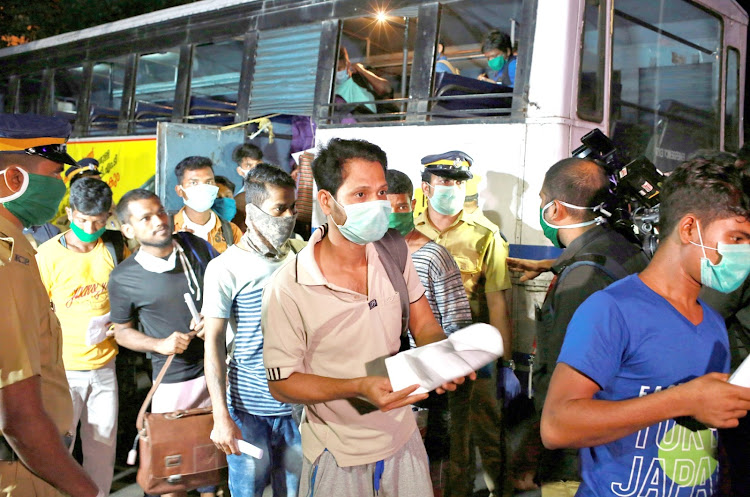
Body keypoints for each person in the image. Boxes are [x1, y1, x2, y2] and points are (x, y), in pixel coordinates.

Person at [262, 138, 470, 496]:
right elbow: (282, 383)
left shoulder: (393, 251)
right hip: (337, 453)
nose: (377, 204)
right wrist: (358, 387)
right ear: (327, 201)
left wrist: (440, 356)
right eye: (360, 194)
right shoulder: (289, 285)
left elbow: (423, 324)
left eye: (381, 191)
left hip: (403, 439)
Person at [541, 157, 750, 496]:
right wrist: (682, 399)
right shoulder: (612, 309)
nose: (745, 253)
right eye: (736, 238)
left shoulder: (712, 324)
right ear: (688, 229)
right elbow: (556, 425)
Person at [512, 157, 650, 494]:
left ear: (555, 210)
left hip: (579, 456)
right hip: (624, 439)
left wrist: (535, 450)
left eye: (542, 200)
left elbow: (564, 378)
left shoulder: (580, 281)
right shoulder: (626, 251)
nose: (541, 206)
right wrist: (553, 265)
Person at [0, 113, 99, 496]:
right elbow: (20, 419)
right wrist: (87, 491)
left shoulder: (18, 245)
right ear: (13, 178)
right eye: (54, 172)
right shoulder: (8, 259)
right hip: (24, 471)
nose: (60, 184)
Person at [414, 150, 518, 497]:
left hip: (473, 353)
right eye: (445, 182)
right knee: (436, 438)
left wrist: (504, 361)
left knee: (485, 436)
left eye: (459, 183)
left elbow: (497, 302)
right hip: (421, 351)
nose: (453, 188)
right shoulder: (407, 231)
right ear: (427, 188)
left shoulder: (486, 235)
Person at [109, 189, 218, 497]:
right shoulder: (125, 277)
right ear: (128, 230)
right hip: (174, 381)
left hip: (218, 371)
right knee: (175, 475)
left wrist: (214, 314)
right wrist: (159, 345)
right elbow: (121, 331)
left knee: (212, 468)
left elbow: (227, 284)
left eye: (160, 212)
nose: (159, 221)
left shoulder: (195, 247)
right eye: (146, 217)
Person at [204, 164, 304, 497]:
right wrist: (221, 416)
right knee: (249, 491)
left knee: (298, 491)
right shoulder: (225, 268)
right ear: (252, 211)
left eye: (292, 208)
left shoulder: (301, 255)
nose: (288, 216)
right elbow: (214, 344)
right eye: (279, 209)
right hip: (248, 410)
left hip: (299, 405)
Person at [385, 169, 473, 490]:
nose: (395, 216)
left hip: (430, 386)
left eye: (402, 208)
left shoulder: (434, 256)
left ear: (413, 204)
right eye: (387, 208)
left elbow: (457, 325)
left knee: (429, 470)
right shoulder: (371, 254)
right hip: (388, 383)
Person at [36, 177, 124, 496]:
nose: (90, 227)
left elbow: (126, 300)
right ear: (71, 214)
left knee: (102, 448)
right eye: (83, 220)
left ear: (108, 216)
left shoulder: (114, 248)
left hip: (105, 367)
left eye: (98, 221)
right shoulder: (47, 256)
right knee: (59, 448)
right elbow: (35, 312)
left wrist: (120, 324)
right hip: (62, 370)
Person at [172, 155, 243, 253]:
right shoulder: (168, 229)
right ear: (179, 190)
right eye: (194, 183)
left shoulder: (231, 232)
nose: (203, 188)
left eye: (209, 182)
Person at [335, 46, 392, 115]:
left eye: (339, 69)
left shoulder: (360, 82)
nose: (335, 73)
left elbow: (385, 88)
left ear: (348, 65)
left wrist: (361, 69)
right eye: (332, 70)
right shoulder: (327, 89)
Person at [232, 143, 264, 231]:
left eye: (258, 165)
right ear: (240, 171)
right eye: (249, 166)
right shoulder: (238, 200)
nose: (255, 169)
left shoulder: (275, 192)